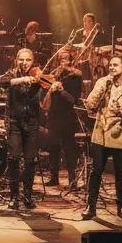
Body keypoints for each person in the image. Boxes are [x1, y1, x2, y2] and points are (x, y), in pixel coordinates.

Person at [81, 54, 122, 221]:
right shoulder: (102, 82)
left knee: (121, 173)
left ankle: (121, 206)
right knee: (96, 171)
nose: (112, 68)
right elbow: (90, 104)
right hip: (100, 133)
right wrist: (101, 88)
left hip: (120, 134)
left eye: (116, 65)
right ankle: (91, 205)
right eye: (110, 66)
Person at [4, 48, 45, 211]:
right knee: (13, 158)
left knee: (30, 160)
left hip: (32, 123)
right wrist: (21, 80)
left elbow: (49, 86)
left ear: (32, 61)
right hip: (14, 122)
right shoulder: (12, 74)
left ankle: (27, 195)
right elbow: (0, 82)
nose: (24, 63)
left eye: (28, 60)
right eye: (21, 60)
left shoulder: (38, 75)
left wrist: (52, 85)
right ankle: (14, 197)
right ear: (17, 60)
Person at [43, 47, 82, 188]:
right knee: (53, 147)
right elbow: (45, 102)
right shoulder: (55, 75)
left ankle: (72, 179)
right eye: (60, 58)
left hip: (68, 117)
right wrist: (51, 89)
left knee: (69, 148)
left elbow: (74, 100)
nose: (63, 61)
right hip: (53, 116)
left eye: (65, 58)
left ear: (71, 59)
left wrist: (62, 90)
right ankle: (54, 177)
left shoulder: (75, 77)